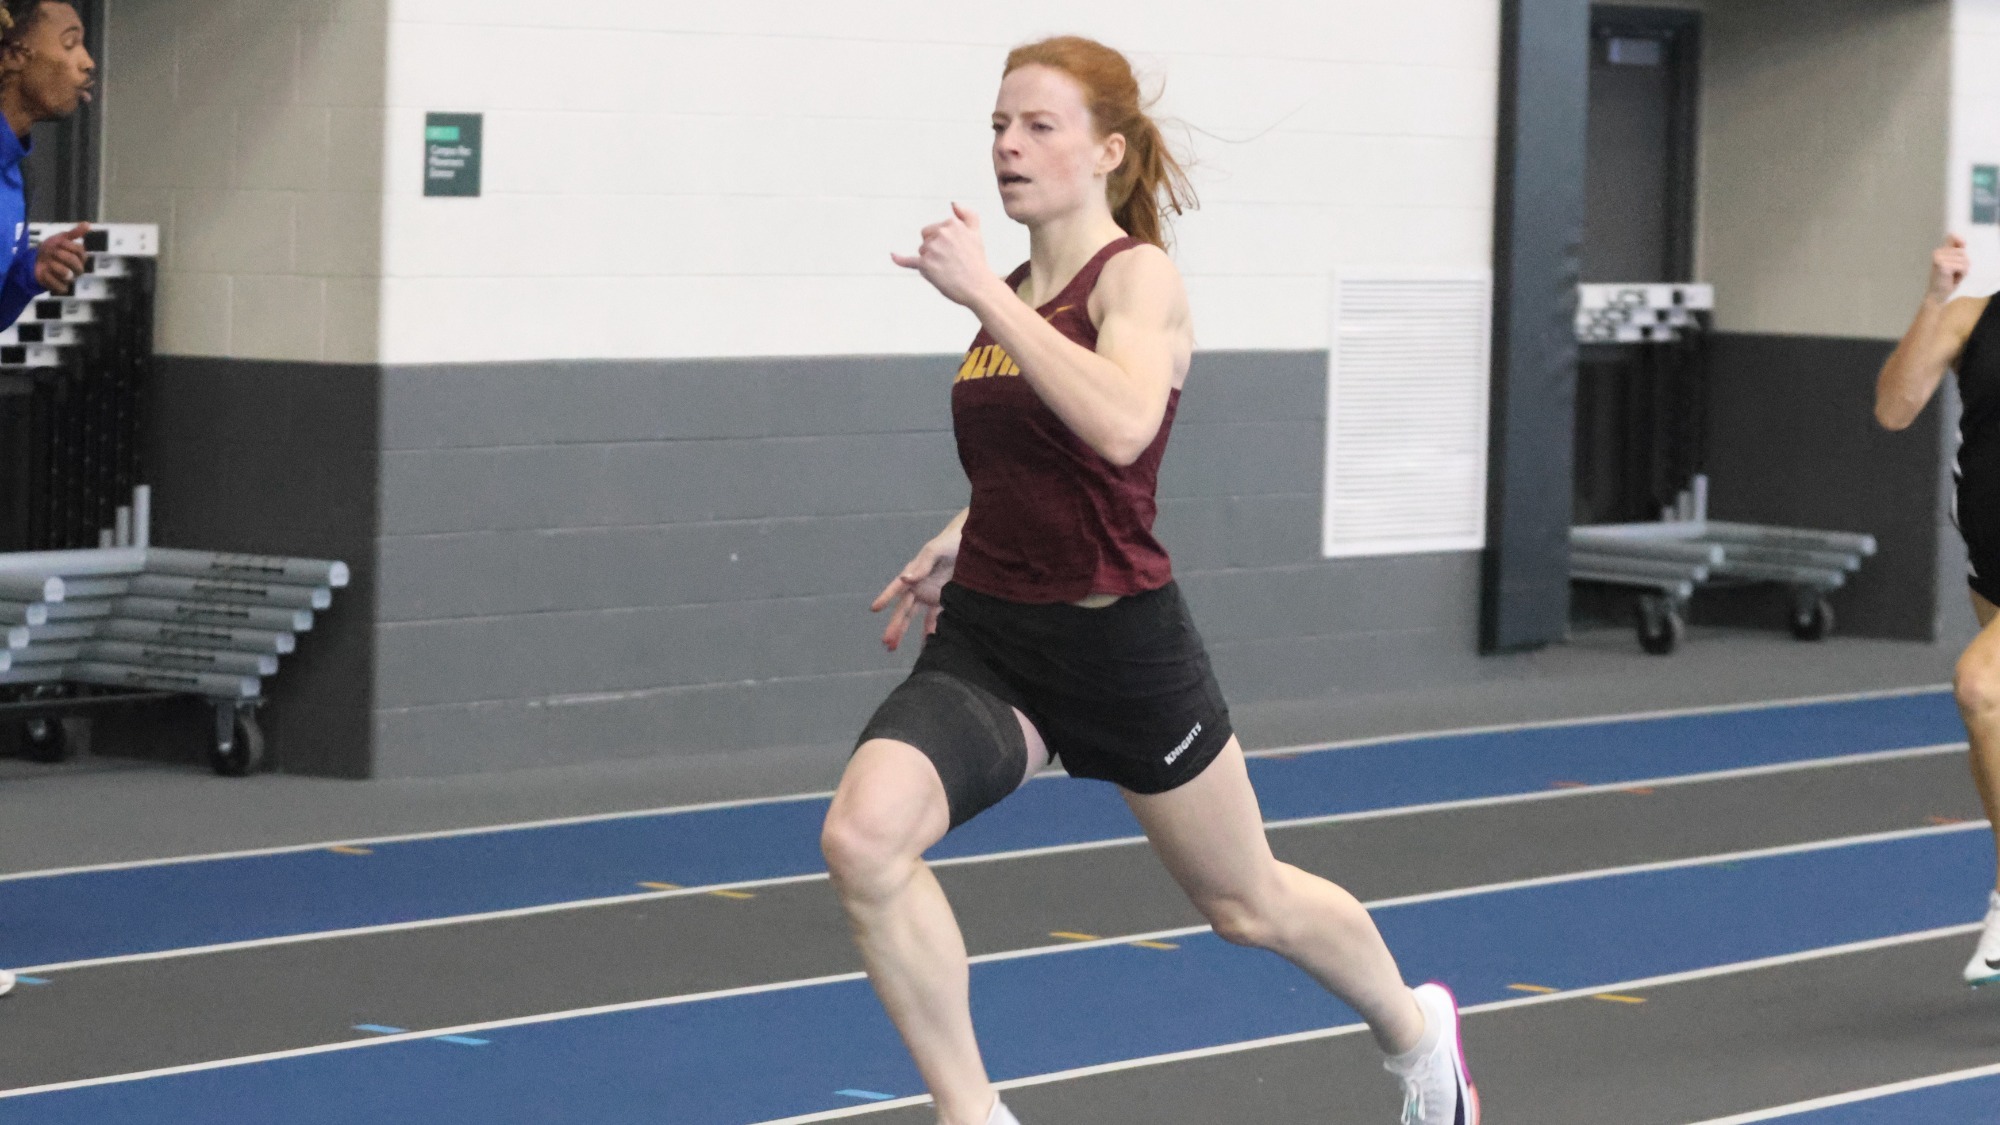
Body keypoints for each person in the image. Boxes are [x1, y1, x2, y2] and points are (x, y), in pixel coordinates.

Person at [819, 35, 1478, 1125]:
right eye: (996, 124)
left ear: (1106, 151)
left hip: (1116, 644)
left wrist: (986, 294)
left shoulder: (1135, 278)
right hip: (994, 639)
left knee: (1245, 902)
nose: (1008, 146)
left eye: (1038, 125)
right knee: (862, 839)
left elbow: (1123, 427)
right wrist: (960, 528)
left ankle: (1416, 1036)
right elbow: (1041, 451)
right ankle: (970, 1112)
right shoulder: (1024, 291)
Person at [0, 0, 95, 1002]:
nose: (86, 59)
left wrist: (27, 271)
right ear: (13, 53)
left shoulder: (11, 168)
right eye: (70, 41)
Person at [1877, 233, 2000, 988]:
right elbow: (1896, 405)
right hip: (1992, 569)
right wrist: (1932, 297)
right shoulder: (1974, 316)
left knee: (1981, 688)